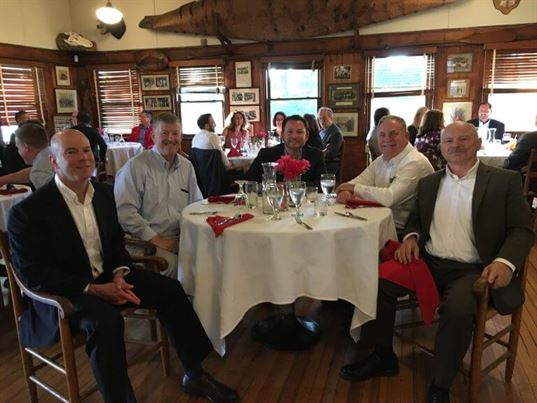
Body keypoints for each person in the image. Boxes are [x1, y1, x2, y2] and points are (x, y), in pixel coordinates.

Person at [7, 129, 239, 403]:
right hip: (65, 293)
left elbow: (116, 243)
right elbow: (33, 273)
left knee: (171, 289)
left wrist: (119, 273)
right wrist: (93, 289)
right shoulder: (28, 211)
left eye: (85, 150)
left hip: (107, 277)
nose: (83, 158)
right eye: (71, 152)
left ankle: (195, 373)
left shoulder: (103, 194)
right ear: (54, 162)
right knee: (106, 321)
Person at [339, 122, 533, 403]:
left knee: (457, 309)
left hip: (473, 269)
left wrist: (505, 262)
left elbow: (522, 229)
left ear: (478, 142)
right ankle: (383, 355)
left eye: (464, 139)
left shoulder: (504, 181)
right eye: (449, 141)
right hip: (427, 262)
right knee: (378, 282)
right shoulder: (430, 183)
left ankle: (441, 385)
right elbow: (417, 219)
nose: (456, 145)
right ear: (441, 148)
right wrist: (412, 237)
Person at [114, 113, 202, 277]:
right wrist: (156, 239)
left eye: (175, 133)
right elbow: (124, 212)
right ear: (153, 136)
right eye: (165, 133)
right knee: (180, 269)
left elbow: (196, 205)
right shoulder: (136, 166)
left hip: (180, 239)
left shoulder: (187, 167)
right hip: (145, 242)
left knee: (213, 260)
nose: (171, 138)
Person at [336, 115, 434, 233]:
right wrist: (346, 191)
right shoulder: (382, 160)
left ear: (406, 136)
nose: (387, 139)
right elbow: (361, 179)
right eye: (382, 135)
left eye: (393, 133)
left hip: (404, 232)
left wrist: (352, 188)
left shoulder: (414, 162)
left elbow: (389, 198)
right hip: (379, 222)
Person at [246, 114, 326, 187]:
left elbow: (323, 183)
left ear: (307, 136)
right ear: (283, 135)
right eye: (290, 132)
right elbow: (248, 182)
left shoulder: (316, 155)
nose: (294, 136)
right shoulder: (266, 155)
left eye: (299, 132)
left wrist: (294, 186)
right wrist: (273, 187)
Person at [0, 122, 53, 189]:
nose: (18, 152)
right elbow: (30, 173)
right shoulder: (52, 153)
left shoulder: (39, 171)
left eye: (18, 148)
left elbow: (54, 197)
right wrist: (2, 180)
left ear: (26, 148)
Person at [318, 107, 344, 175]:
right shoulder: (321, 131)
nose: (321, 121)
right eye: (319, 118)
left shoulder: (336, 133)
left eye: (323, 118)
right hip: (321, 161)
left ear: (330, 118)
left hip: (329, 165)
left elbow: (331, 154)